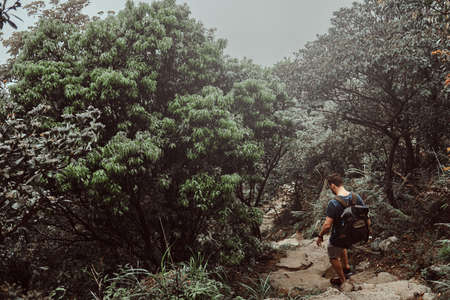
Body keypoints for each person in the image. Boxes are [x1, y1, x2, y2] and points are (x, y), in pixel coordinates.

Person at [316, 173, 370, 287]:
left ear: (333, 186)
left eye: (330, 187)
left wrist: (320, 235)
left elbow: (327, 226)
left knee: (332, 252)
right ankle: (347, 269)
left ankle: (343, 280)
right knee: (342, 245)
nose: (331, 189)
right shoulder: (356, 197)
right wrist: (368, 231)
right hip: (355, 234)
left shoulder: (333, 203)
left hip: (341, 236)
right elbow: (367, 217)